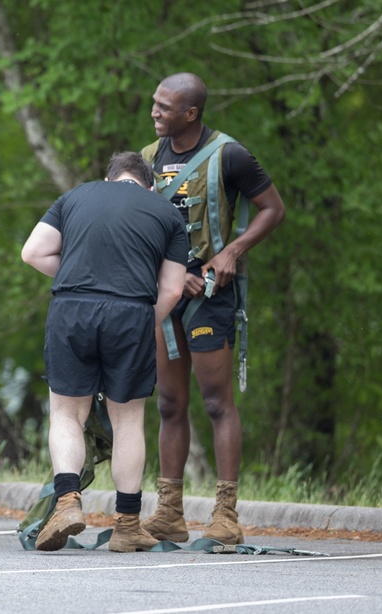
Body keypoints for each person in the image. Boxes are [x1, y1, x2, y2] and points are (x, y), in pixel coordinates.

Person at [140, 73, 286, 545]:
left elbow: (272, 209)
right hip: (167, 294)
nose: (155, 112)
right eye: (155, 104)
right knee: (168, 403)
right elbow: (139, 227)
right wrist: (166, 275)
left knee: (217, 402)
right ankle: (169, 512)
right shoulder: (148, 159)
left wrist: (233, 252)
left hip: (209, 296)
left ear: (191, 114)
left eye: (165, 107)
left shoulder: (230, 155)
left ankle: (225, 514)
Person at [21, 152, 187, 553]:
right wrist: (143, 321)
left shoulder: (76, 196)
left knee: (66, 412)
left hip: (72, 308)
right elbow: (174, 289)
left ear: (109, 178)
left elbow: (33, 253)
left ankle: (66, 502)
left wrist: (82, 271)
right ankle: (128, 525)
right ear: (149, 184)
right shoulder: (167, 213)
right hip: (131, 312)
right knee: (127, 419)